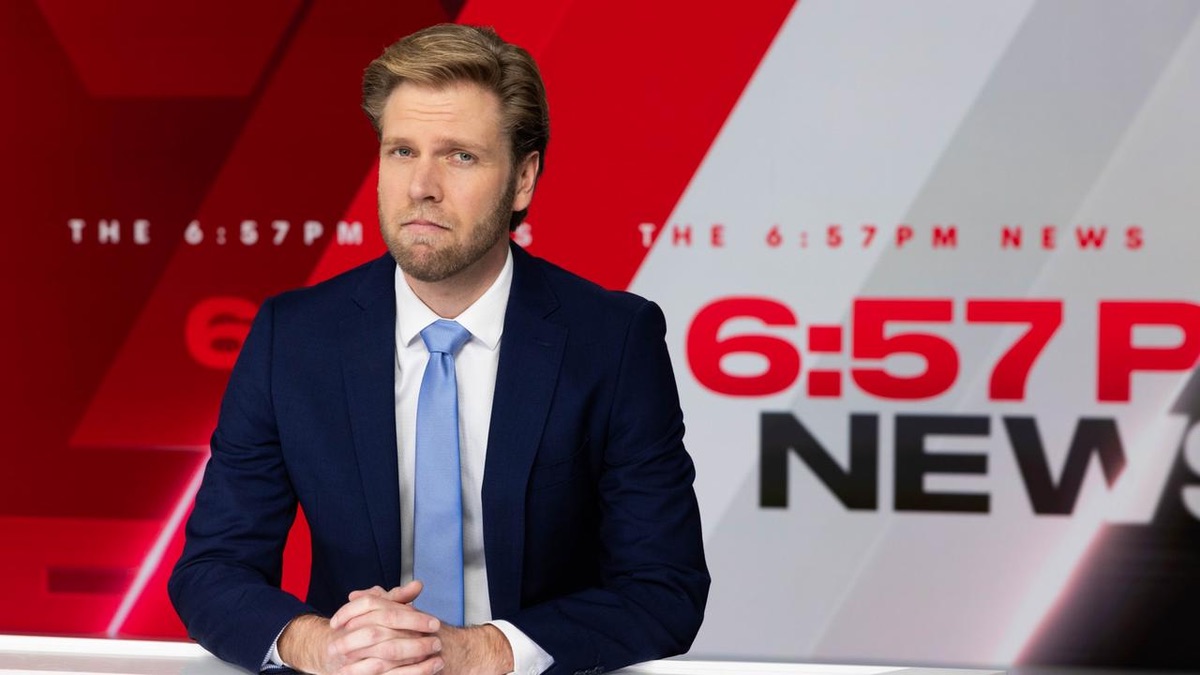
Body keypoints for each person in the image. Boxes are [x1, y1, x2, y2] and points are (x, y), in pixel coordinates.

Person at [168, 23, 709, 675]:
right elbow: (212, 567)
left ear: (523, 178)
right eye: (401, 151)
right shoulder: (295, 337)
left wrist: (484, 650)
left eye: (459, 156)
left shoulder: (614, 341)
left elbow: (664, 588)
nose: (420, 185)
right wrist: (319, 643)